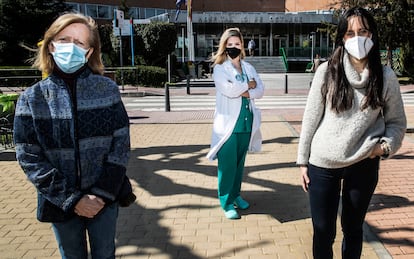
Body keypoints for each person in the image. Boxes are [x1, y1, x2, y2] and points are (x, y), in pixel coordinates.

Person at [13, 13, 135, 258]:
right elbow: (28, 156)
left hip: (104, 197)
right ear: (51, 45)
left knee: (105, 253)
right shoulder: (32, 98)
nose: (71, 47)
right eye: (64, 39)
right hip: (59, 200)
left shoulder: (107, 90)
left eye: (79, 43)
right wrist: (72, 199)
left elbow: (120, 144)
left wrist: (100, 194)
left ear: (89, 52)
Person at [297, 7, 406, 259]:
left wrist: (383, 147)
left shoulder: (385, 76)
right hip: (323, 162)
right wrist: (303, 161)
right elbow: (311, 118)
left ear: (372, 35)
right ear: (342, 38)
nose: (357, 38)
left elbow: (397, 122)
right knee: (323, 232)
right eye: (350, 33)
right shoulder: (327, 71)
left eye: (363, 31)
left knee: (353, 229)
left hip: (363, 162)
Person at [206, 28, 264, 220]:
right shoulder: (220, 68)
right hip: (228, 126)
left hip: (246, 123)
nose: (233, 48)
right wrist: (249, 85)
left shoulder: (249, 68)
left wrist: (246, 89)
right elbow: (229, 90)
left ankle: (236, 195)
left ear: (243, 45)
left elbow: (261, 90)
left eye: (237, 44)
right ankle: (226, 202)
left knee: (239, 165)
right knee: (227, 166)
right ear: (224, 46)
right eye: (229, 45)